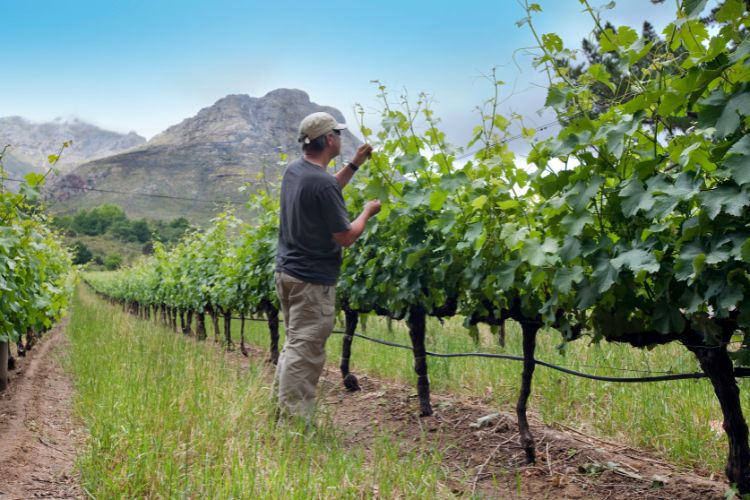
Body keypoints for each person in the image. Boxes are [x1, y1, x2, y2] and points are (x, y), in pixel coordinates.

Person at [274, 111, 381, 422]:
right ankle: (294, 425)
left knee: (294, 344)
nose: (342, 137)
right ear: (330, 139)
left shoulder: (296, 171)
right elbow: (345, 236)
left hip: (288, 273)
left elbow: (327, 189)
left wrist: (354, 165)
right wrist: (366, 213)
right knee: (305, 353)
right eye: (338, 133)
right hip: (312, 281)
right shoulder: (320, 183)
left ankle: (280, 412)